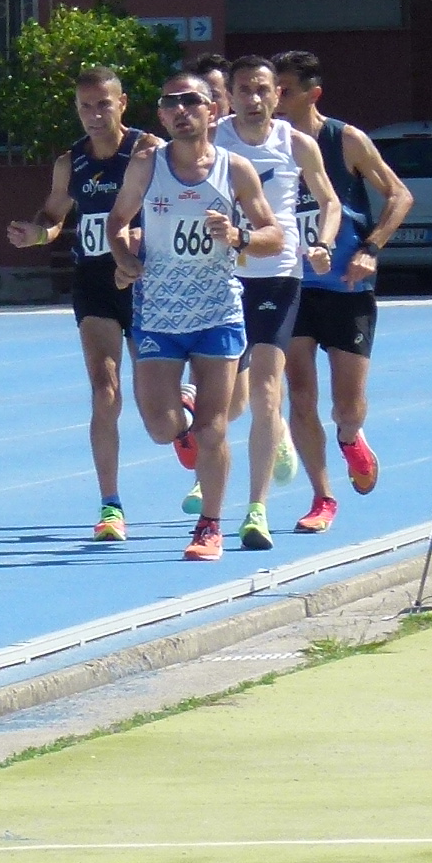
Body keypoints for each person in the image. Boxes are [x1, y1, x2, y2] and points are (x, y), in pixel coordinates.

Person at [110, 71, 282, 562]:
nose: (180, 110)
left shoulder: (236, 169)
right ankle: (182, 408)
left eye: (191, 101)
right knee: (161, 428)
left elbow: (273, 235)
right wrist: (125, 260)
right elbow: (118, 222)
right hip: (159, 313)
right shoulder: (147, 166)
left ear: (212, 110)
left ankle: (210, 526)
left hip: (217, 312)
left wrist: (239, 236)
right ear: (161, 116)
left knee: (213, 430)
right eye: (171, 103)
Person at [5, 65, 154, 541]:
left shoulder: (148, 152)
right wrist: (35, 234)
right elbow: (53, 216)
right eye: (85, 106)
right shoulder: (71, 163)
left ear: (121, 103)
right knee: (104, 388)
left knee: (155, 403)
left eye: (103, 104)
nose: (94, 114)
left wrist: (142, 238)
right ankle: (110, 505)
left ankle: (184, 431)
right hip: (94, 282)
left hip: (146, 282)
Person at [274, 51, 414, 533]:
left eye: (285, 90)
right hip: (293, 286)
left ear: (313, 94)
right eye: (272, 88)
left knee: (346, 407)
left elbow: (400, 194)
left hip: (347, 286)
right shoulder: (267, 144)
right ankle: (322, 496)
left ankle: (352, 437)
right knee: (300, 394)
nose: (275, 98)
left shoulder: (344, 140)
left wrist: (371, 248)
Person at [212, 55, 340, 550]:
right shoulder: (212, 140)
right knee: (225, 401)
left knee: (268, 390)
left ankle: (256, 510)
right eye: (244, 89)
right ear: (230, 96)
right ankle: (262, 442)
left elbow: (328, 201)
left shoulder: (296, 143)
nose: (254, 98)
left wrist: (323, 243)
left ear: (277, 95)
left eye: (263, 89)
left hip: (277, 275)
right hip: (219, 276)